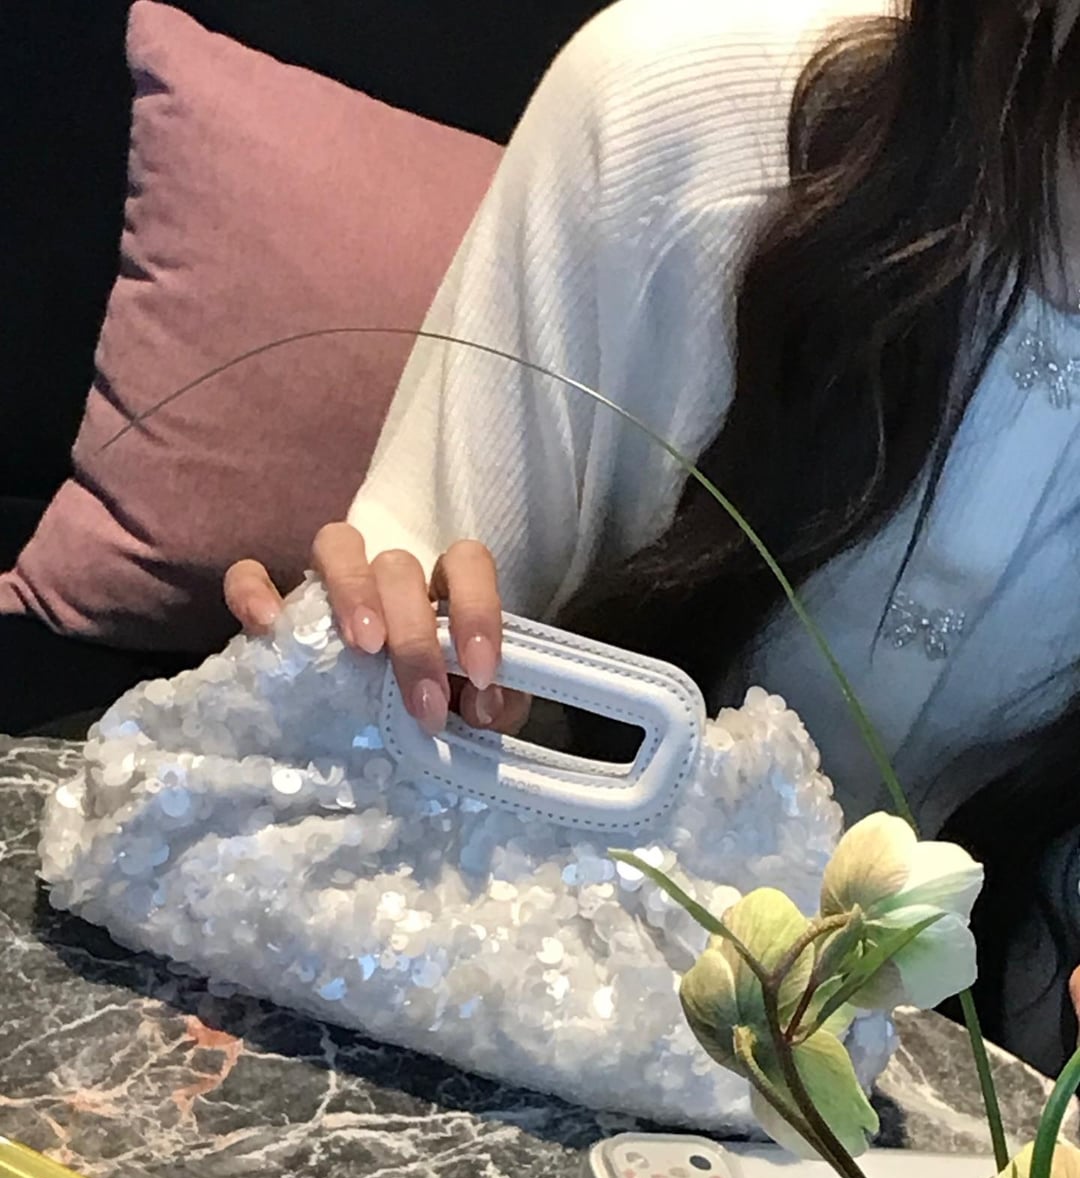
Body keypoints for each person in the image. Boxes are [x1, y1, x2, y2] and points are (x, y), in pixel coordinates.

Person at [224, 0, 1080, 1074]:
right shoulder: (674, 117)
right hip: (503, 1032)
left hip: (977, 1156)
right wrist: (364, 657)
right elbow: (384, 693)